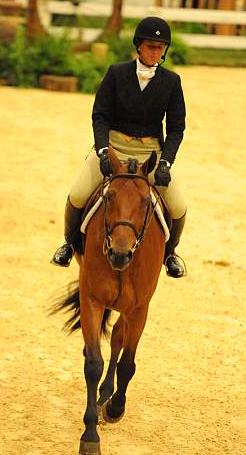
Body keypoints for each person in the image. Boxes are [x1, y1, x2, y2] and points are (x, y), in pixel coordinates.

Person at [51, 16, 187, 279]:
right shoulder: (116, 73)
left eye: (160, 48)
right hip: (114, 147)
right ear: (138, 46)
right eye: (150, 46)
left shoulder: (172, 81)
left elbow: (176, 128)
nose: (155, 52)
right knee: (78, 194)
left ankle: (170, 255)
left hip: (150, 153)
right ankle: (68, 244)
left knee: (178, 206)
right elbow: (100, 115)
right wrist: (102, 150)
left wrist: (166, 162)